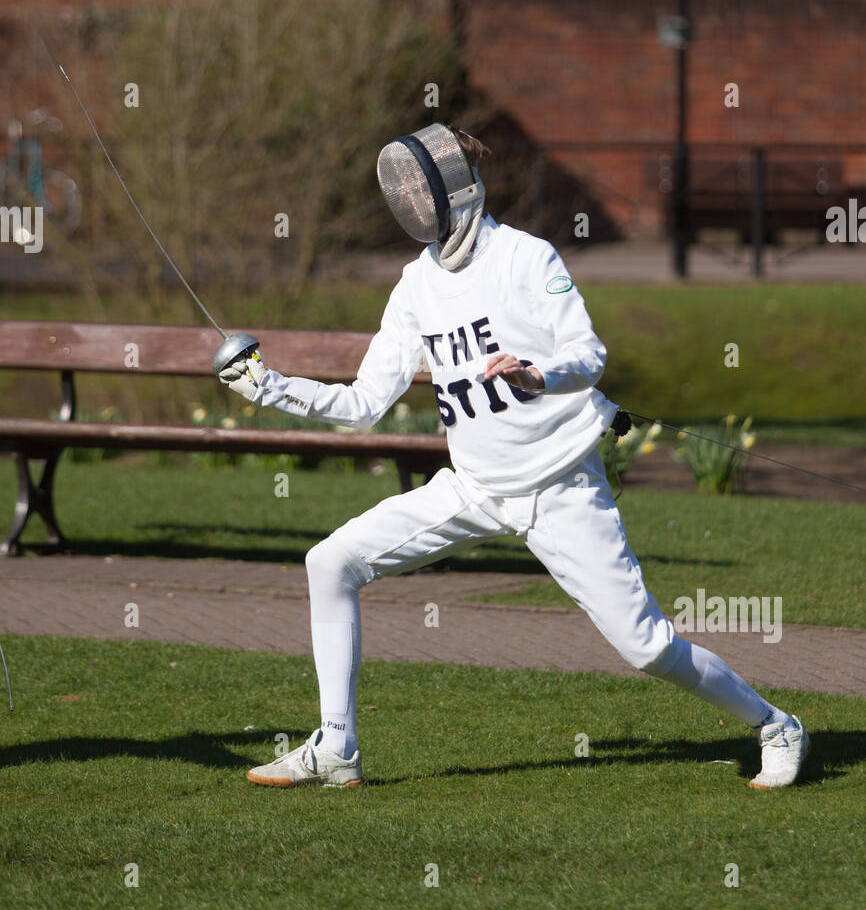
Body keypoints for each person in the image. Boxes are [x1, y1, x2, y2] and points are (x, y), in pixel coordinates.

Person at [219, 124, 809, 791]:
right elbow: (363, 404)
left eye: (421, 187)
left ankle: (776, 726)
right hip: (472, 487)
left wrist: (538, 374)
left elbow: (588, 354)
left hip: (561, 488)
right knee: (331, 561)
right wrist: (270, 388)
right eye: (403, 190)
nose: (411, 200)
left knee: (645, 647)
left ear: (458, 189)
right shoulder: (415, 287)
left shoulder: (527, 259)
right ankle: (336, 748)